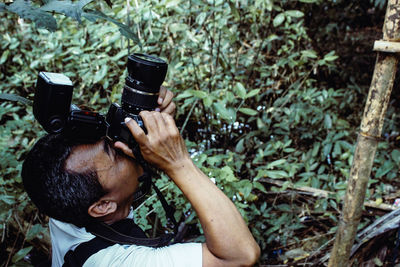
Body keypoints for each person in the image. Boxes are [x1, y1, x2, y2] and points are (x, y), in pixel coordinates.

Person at [21, 87, 260, 266]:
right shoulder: (117, 262)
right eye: (115, 153)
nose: (121, 144)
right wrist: (178, 163)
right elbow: (240, 255)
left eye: (109, 139)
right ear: (103, 206)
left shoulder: (66, 206)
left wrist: (149, 118)